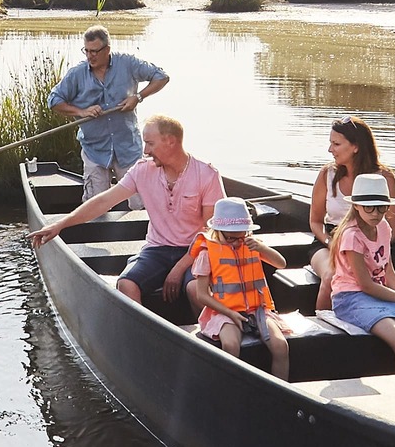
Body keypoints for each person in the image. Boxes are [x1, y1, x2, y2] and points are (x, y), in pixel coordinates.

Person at [26, 114, 221, 321]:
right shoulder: (142, 171)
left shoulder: (207, 175)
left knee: (195, 290)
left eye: (150, 143)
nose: (145, 150)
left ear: (170, 141)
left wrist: (179, 268)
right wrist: (60, 225)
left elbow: (210, 233)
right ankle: (144, 336)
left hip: (195, 251)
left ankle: (207, 339)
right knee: (126, 284)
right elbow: (103, 202)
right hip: (157, 249)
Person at [323, 175, 395, 374]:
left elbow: (388, 270)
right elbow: (365, 285)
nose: (376, 213)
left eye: (381, 207)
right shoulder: (351, 236)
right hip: (351, 298)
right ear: (356, 206)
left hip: (379, 295)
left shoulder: (383, 228)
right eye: (369, 207)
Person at [47, 26, 170, 197]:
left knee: (141, 204)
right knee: (94, 208)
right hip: (95, 151)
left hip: (128, 148)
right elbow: (53, 100)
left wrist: (138, 97)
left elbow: (161, 77)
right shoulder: (77, 74)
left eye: (95, 51)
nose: (90, 56)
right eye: (87, 51)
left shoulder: (127, 63)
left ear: (107, 50)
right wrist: (81, 111)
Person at [184, 197, 289, 378]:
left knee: (281, 346)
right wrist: (231, 313)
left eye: (242, 237)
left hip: (258, 310)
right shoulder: (206, 253)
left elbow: (281, 263)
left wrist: (263, 248)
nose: (237, 243)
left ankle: (283, 393)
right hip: (225, 312)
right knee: (231, 346)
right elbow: (201, 295)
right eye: (232, 238)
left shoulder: (252, 245)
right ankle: (229, 389)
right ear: (218, 232)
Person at [309, 116, 395, 283]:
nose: (330, 149)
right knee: (332, 276)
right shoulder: (327, 174)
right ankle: (323, 311)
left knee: (370, 279)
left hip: (375, 246)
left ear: (356, 147)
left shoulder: (385, 178)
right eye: (331, 143)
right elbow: (315, 221)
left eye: (336, 144)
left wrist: (362, 250)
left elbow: (393, 231)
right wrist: (331, 243)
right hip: (330, 243)